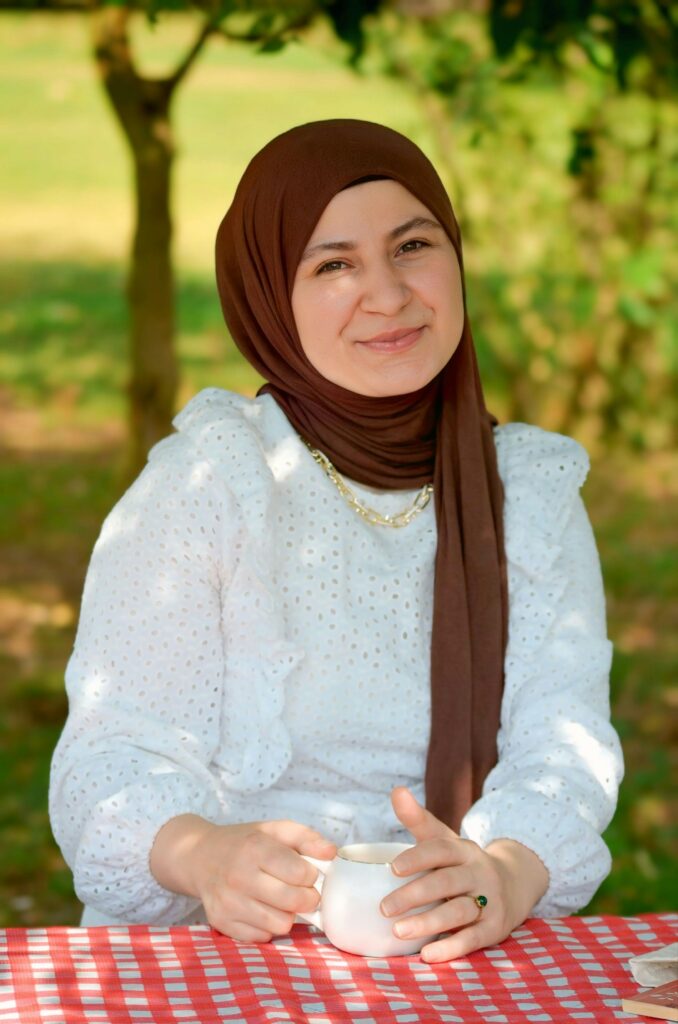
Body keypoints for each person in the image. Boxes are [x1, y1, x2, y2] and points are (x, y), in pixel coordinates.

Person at [49, 119, 623, 963]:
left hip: (451, 946)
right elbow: (109, 756)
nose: (388, 295)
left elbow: (563, 745)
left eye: (413, 245)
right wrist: (205, 855)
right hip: (223, 951)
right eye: (334, 264)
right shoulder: (212, 482)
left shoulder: (528, 495)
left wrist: (505, 872)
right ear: (267, 298)